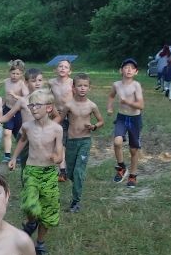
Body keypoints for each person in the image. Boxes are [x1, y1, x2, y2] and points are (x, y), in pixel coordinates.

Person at [18, 89, 62, 255]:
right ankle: (31, 223)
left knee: (48, 210)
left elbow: (59, 153)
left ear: (49, 108)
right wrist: (14, 157)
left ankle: (40, 243)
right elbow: (22, 140)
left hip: (49, 173)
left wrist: (57, 158)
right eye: (31, 105)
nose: (33, 108)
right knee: (30, 204)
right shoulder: (27, 126)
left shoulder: (57, 129)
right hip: (31, 170)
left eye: (37, 105)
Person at [62, 72, 103, 213]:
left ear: (89, 88)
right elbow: (60, 119)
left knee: (78, 171)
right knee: (70, 173)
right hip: (71, 141)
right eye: (79, 85)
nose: (82, 88)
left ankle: (76, 201)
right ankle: (77, 183)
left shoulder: (92, 105)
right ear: (73, 88)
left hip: (85, 141)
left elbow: (101, 121)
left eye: (85, 86)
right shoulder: (68, 105)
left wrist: (94, 126)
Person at [109, 57, 145, 186]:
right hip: (121, 118)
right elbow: (111, 95)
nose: (129, 70)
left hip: (134, 119)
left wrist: (127, 102)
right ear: (121, 70)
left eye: (132, 68)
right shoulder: (116, 85)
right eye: (126, 67)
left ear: (136, 72)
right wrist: (109, 107)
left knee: (133, 150)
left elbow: (141, 105)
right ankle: (122, 167)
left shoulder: (136, 86)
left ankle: (133, 176)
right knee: (117, 142)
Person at [49, 59, 75, 181]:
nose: (62, 68)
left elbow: (78, 98)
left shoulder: (72, 83)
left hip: (71, 115)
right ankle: (62, 171)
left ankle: (71, 166)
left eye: (65, 67)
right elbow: (47, 98)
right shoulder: (51, 83)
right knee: (60, 143)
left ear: (70, 71)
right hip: (57, 115)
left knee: (71, 143)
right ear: (56, 69)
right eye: (60, 66)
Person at [0, 60, 29, 164]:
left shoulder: (22, 84)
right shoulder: (7, 82)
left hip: (19, 112)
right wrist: (1, 105)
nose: (15, 76)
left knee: (19, 135)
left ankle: (21, 155)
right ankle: (7, 156)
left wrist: (15, 95)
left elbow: (26, 97)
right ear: (9, 72)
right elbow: (6, 96)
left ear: (21, 74)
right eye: (13, 73)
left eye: (17, 74)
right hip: (8, 110)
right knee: (7, 133)